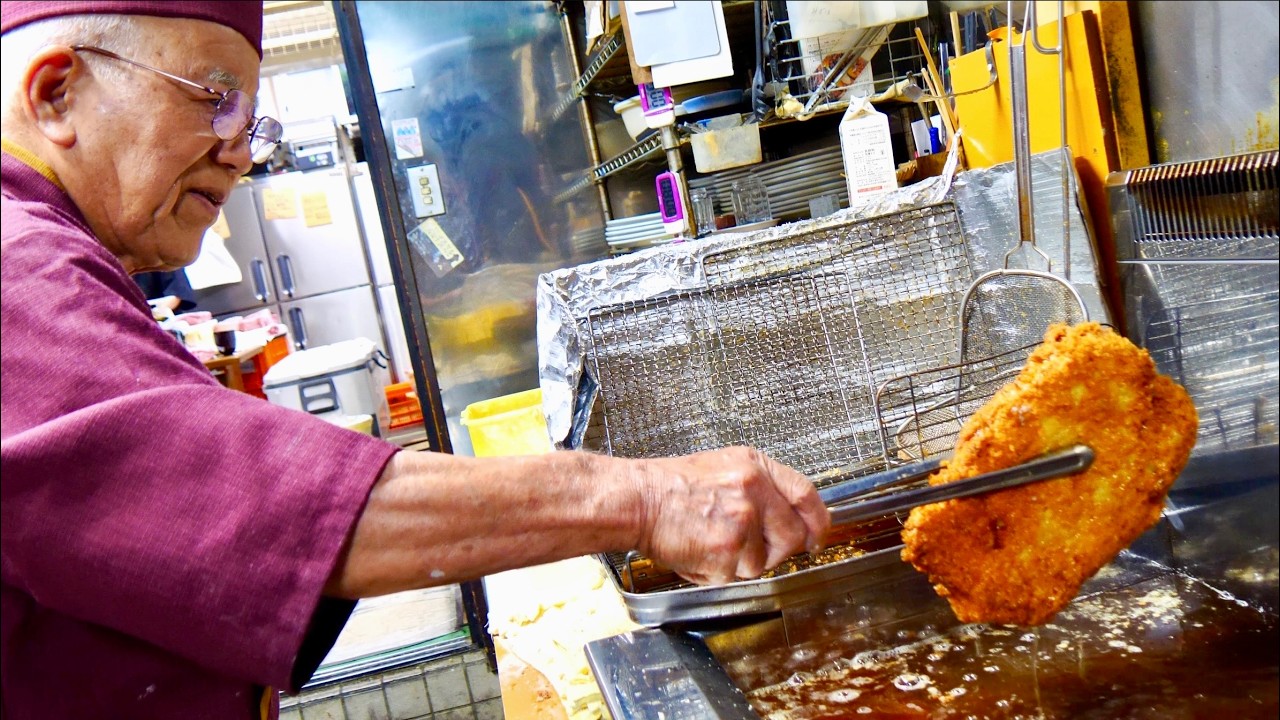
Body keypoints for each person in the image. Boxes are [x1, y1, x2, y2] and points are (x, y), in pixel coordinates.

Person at [0, 3, 831, 718]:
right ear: (56, 92)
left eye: (251, 124)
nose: (241, 153)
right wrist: (650, 496)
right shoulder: (15, 267)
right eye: (216, 103)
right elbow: (244, 500)